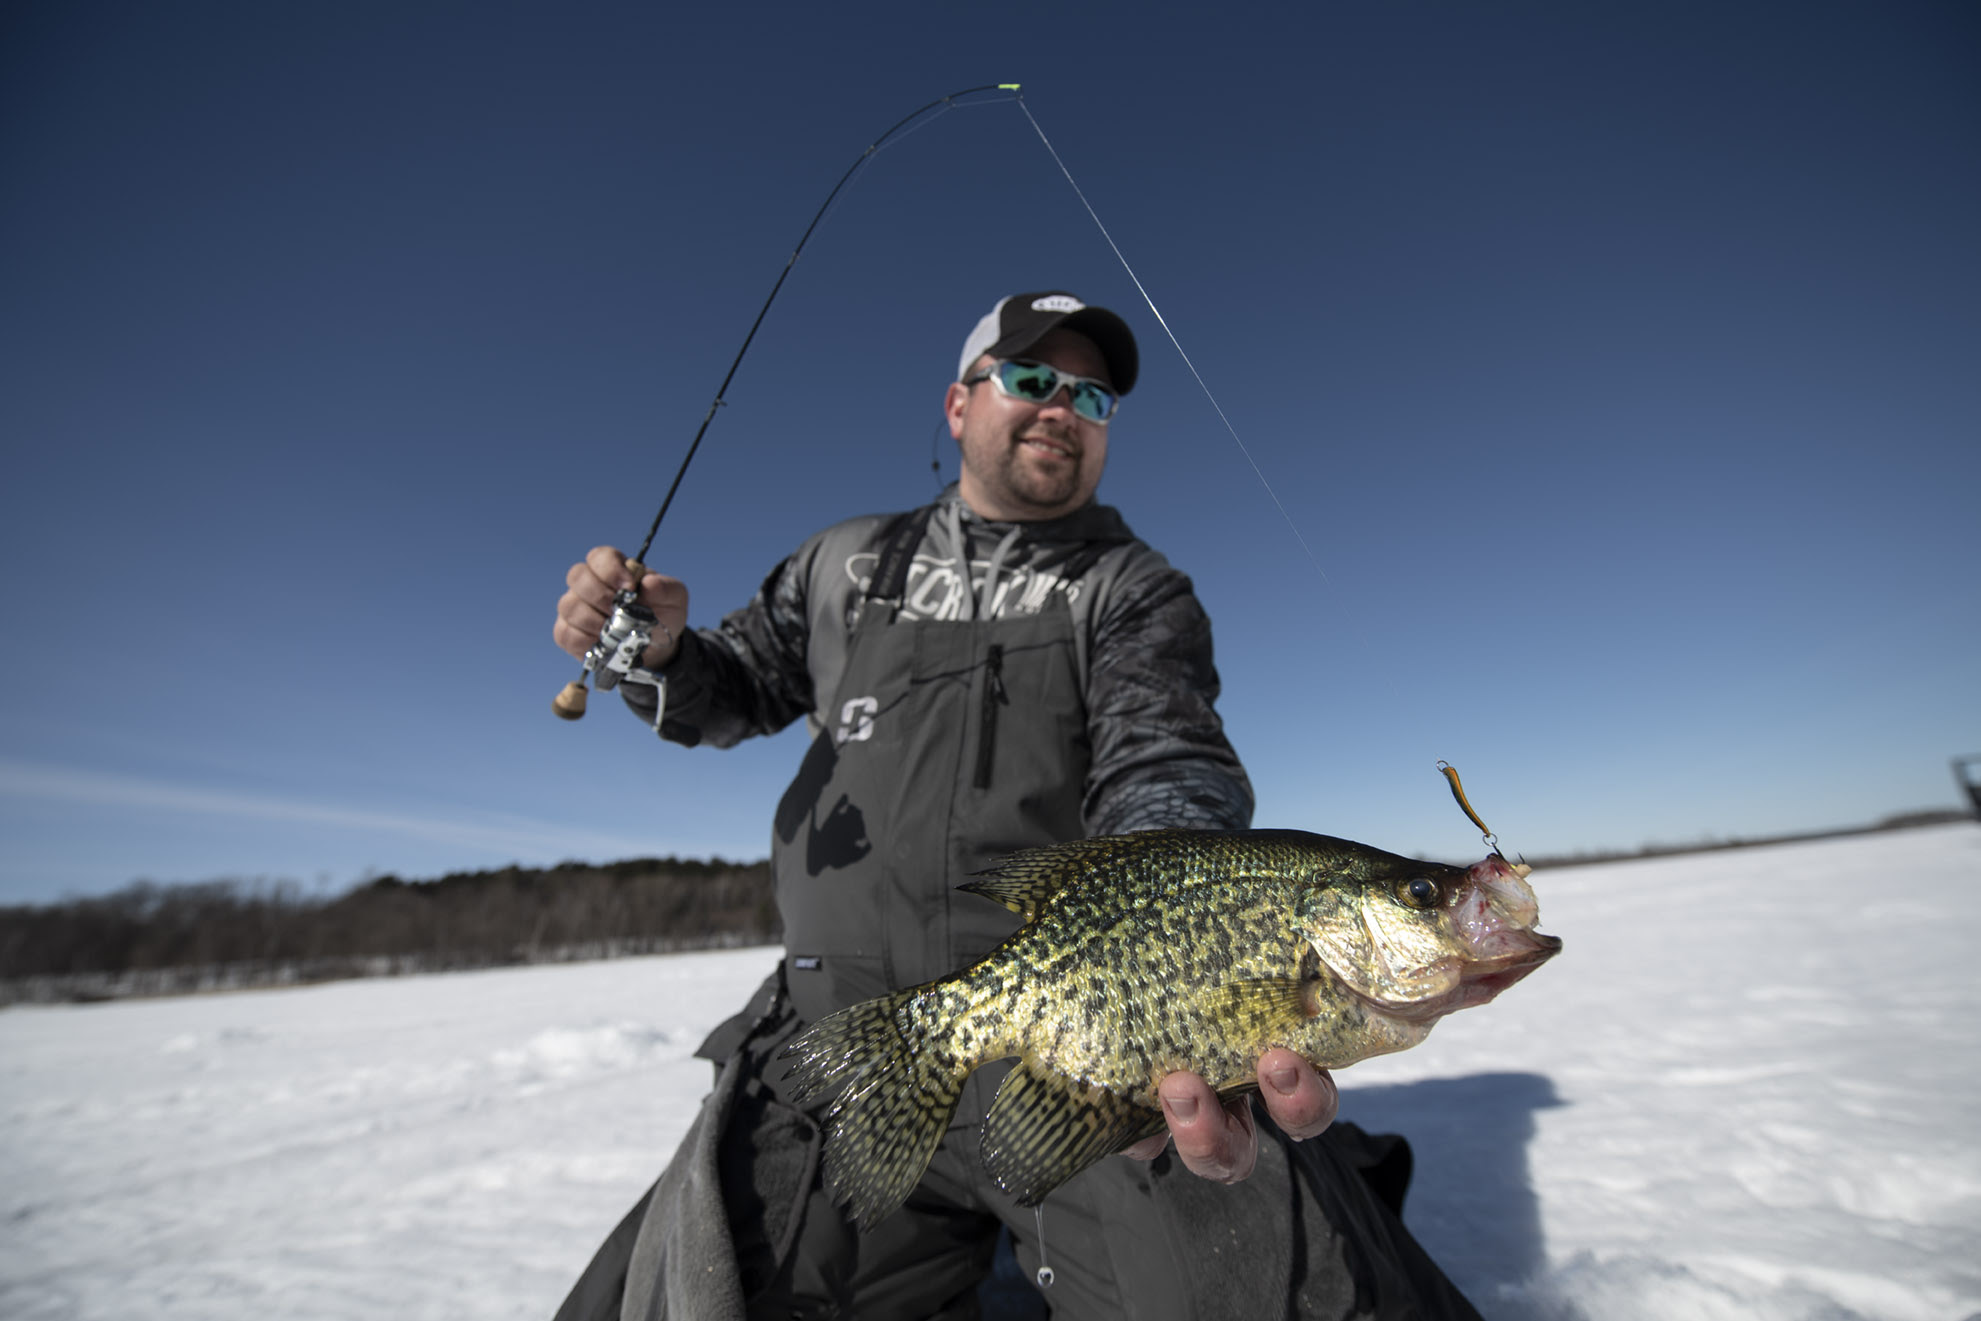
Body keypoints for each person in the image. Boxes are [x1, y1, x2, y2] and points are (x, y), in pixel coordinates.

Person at [551, 292, 1481, 1321]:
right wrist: (659, 652)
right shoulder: (841, 564)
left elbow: (1163, 757)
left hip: (1073, 1041)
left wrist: (1173, 961)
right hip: (841, 1022)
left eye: (1090, 395)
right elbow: (732, 692)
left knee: (1269, 1286)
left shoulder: (1131, 586)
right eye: (1030, 379)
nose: (1060, 408)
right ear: (959, 405)